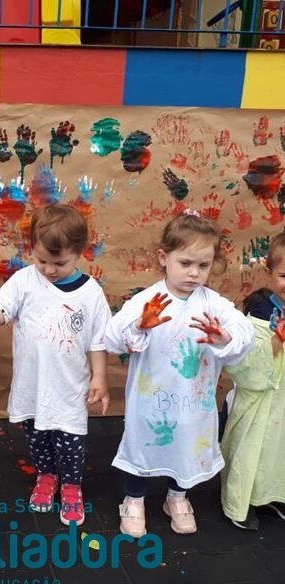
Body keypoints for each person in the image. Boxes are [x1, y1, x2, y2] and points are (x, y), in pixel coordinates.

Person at [0, 204, 111, 526]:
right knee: (37, 437)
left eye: (59, 263)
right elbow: (1, 312)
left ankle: (71, 486)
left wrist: (99, 377)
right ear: (32, 250)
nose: (49, 270)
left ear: (79, 252)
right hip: (32, 385)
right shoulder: (24, 280)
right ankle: (46, 476)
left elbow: (98, 340)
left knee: (71, 441)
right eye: (42, 261)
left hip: (70, 387)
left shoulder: (91, 293)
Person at [104, 209, 254, 538]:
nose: (194, 273)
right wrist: (139, 325)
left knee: (186, 446)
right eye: (185, 263)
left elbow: (245, 333)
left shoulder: (214, 304)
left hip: (193, 401)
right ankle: (133, 500)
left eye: (203, 265)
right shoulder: (148, 300)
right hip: (150, 400)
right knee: (142, 445)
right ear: (164, 257)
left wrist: (225, 337)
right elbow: (112, 337)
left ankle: (176, 497)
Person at [221, 231, 285, 530]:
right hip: (259, 398)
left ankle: (270, 495)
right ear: (269, 272)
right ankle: (239, 503)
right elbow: (244, 363)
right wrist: (277, 340)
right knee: (251, 450)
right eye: (284, 275)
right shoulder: (260, 312)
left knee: (276, 451)